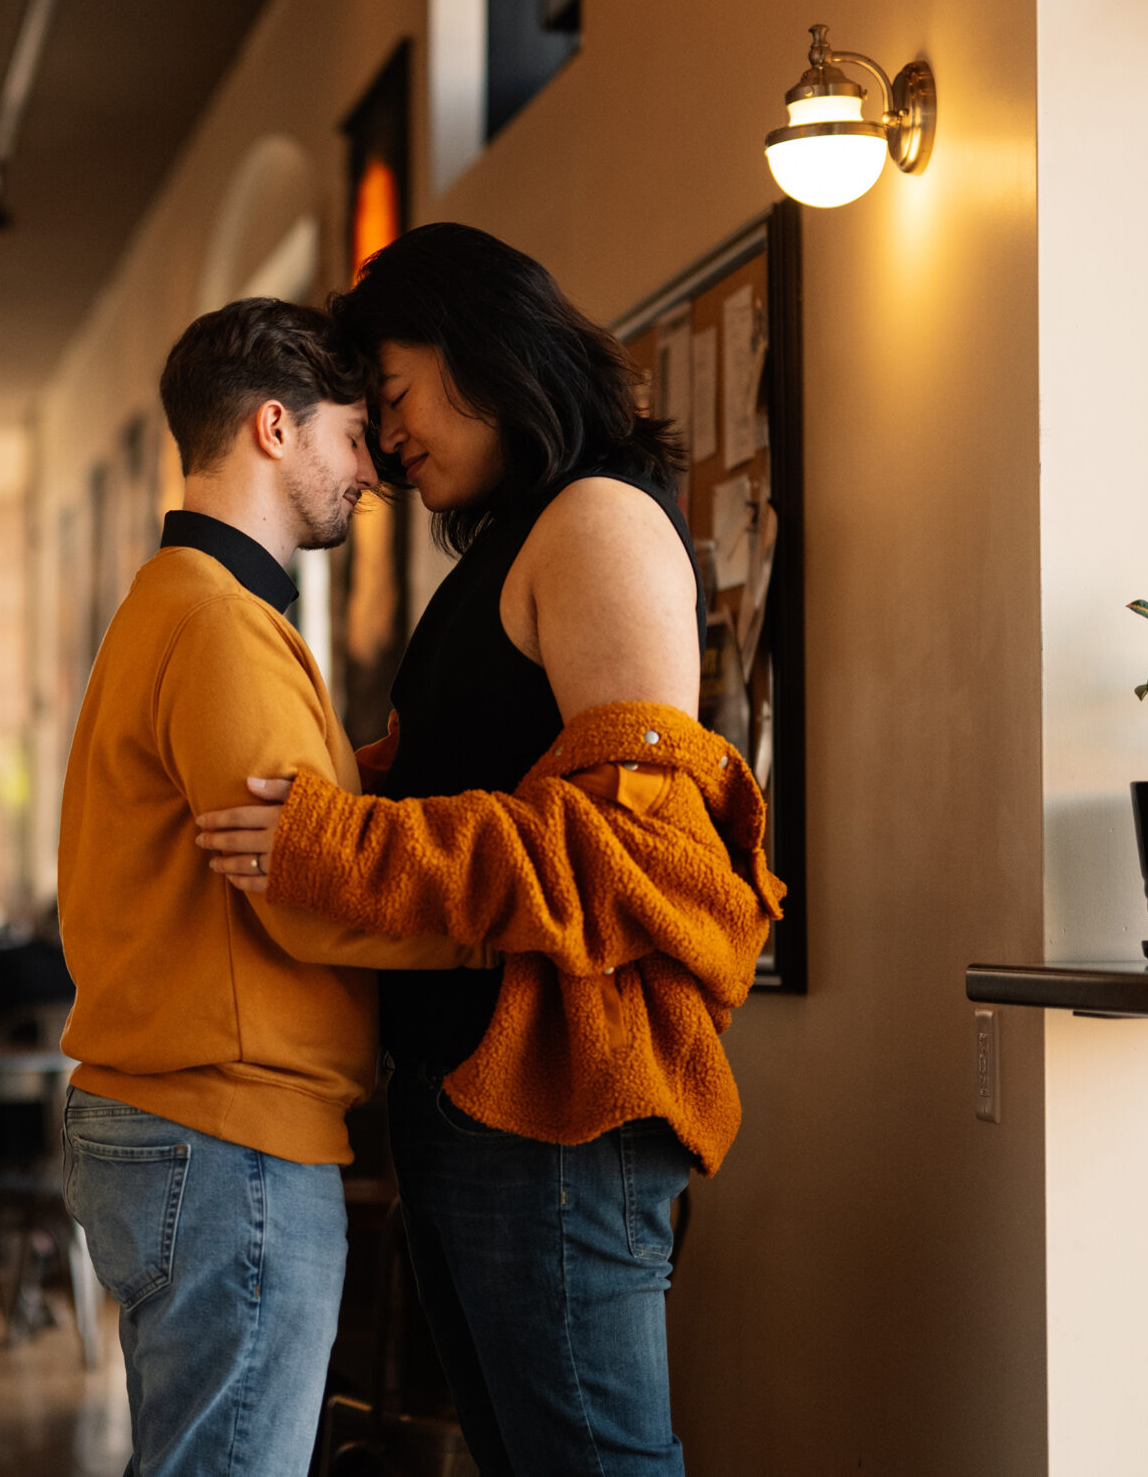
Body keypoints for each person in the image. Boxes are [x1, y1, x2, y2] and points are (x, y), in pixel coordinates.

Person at [194, 224, 784, 1477]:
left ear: (482, 345)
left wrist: (338, 845)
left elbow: (639, 853)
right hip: (484, 1101)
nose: (388, 443)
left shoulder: (597, 524)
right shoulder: (516, 543)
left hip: (561, 1111)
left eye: (393, 395)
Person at [56, 297, 483, 1477]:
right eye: (354, 439)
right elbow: (307, 885)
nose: (370, 473)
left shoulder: (171, 608)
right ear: (275, 428)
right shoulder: (220, 628)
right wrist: (496, 932)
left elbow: (295, 844)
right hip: (224, 1135)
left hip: (183, 1127)